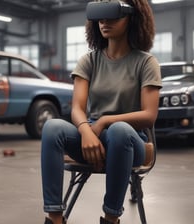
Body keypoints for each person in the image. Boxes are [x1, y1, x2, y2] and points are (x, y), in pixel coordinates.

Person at [41, 0, 162, 223]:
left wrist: (105, 121)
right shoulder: (89, 60)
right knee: (52, 127)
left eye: (113, 16)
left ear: (132, 18)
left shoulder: (146, 62)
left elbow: (149, 115)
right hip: (92, 138)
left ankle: (110, 217)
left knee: (119, 130)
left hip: (130, 141)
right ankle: (55, 217)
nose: (104, 22)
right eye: (100, 17)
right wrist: (86, 131)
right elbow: (77, 108)